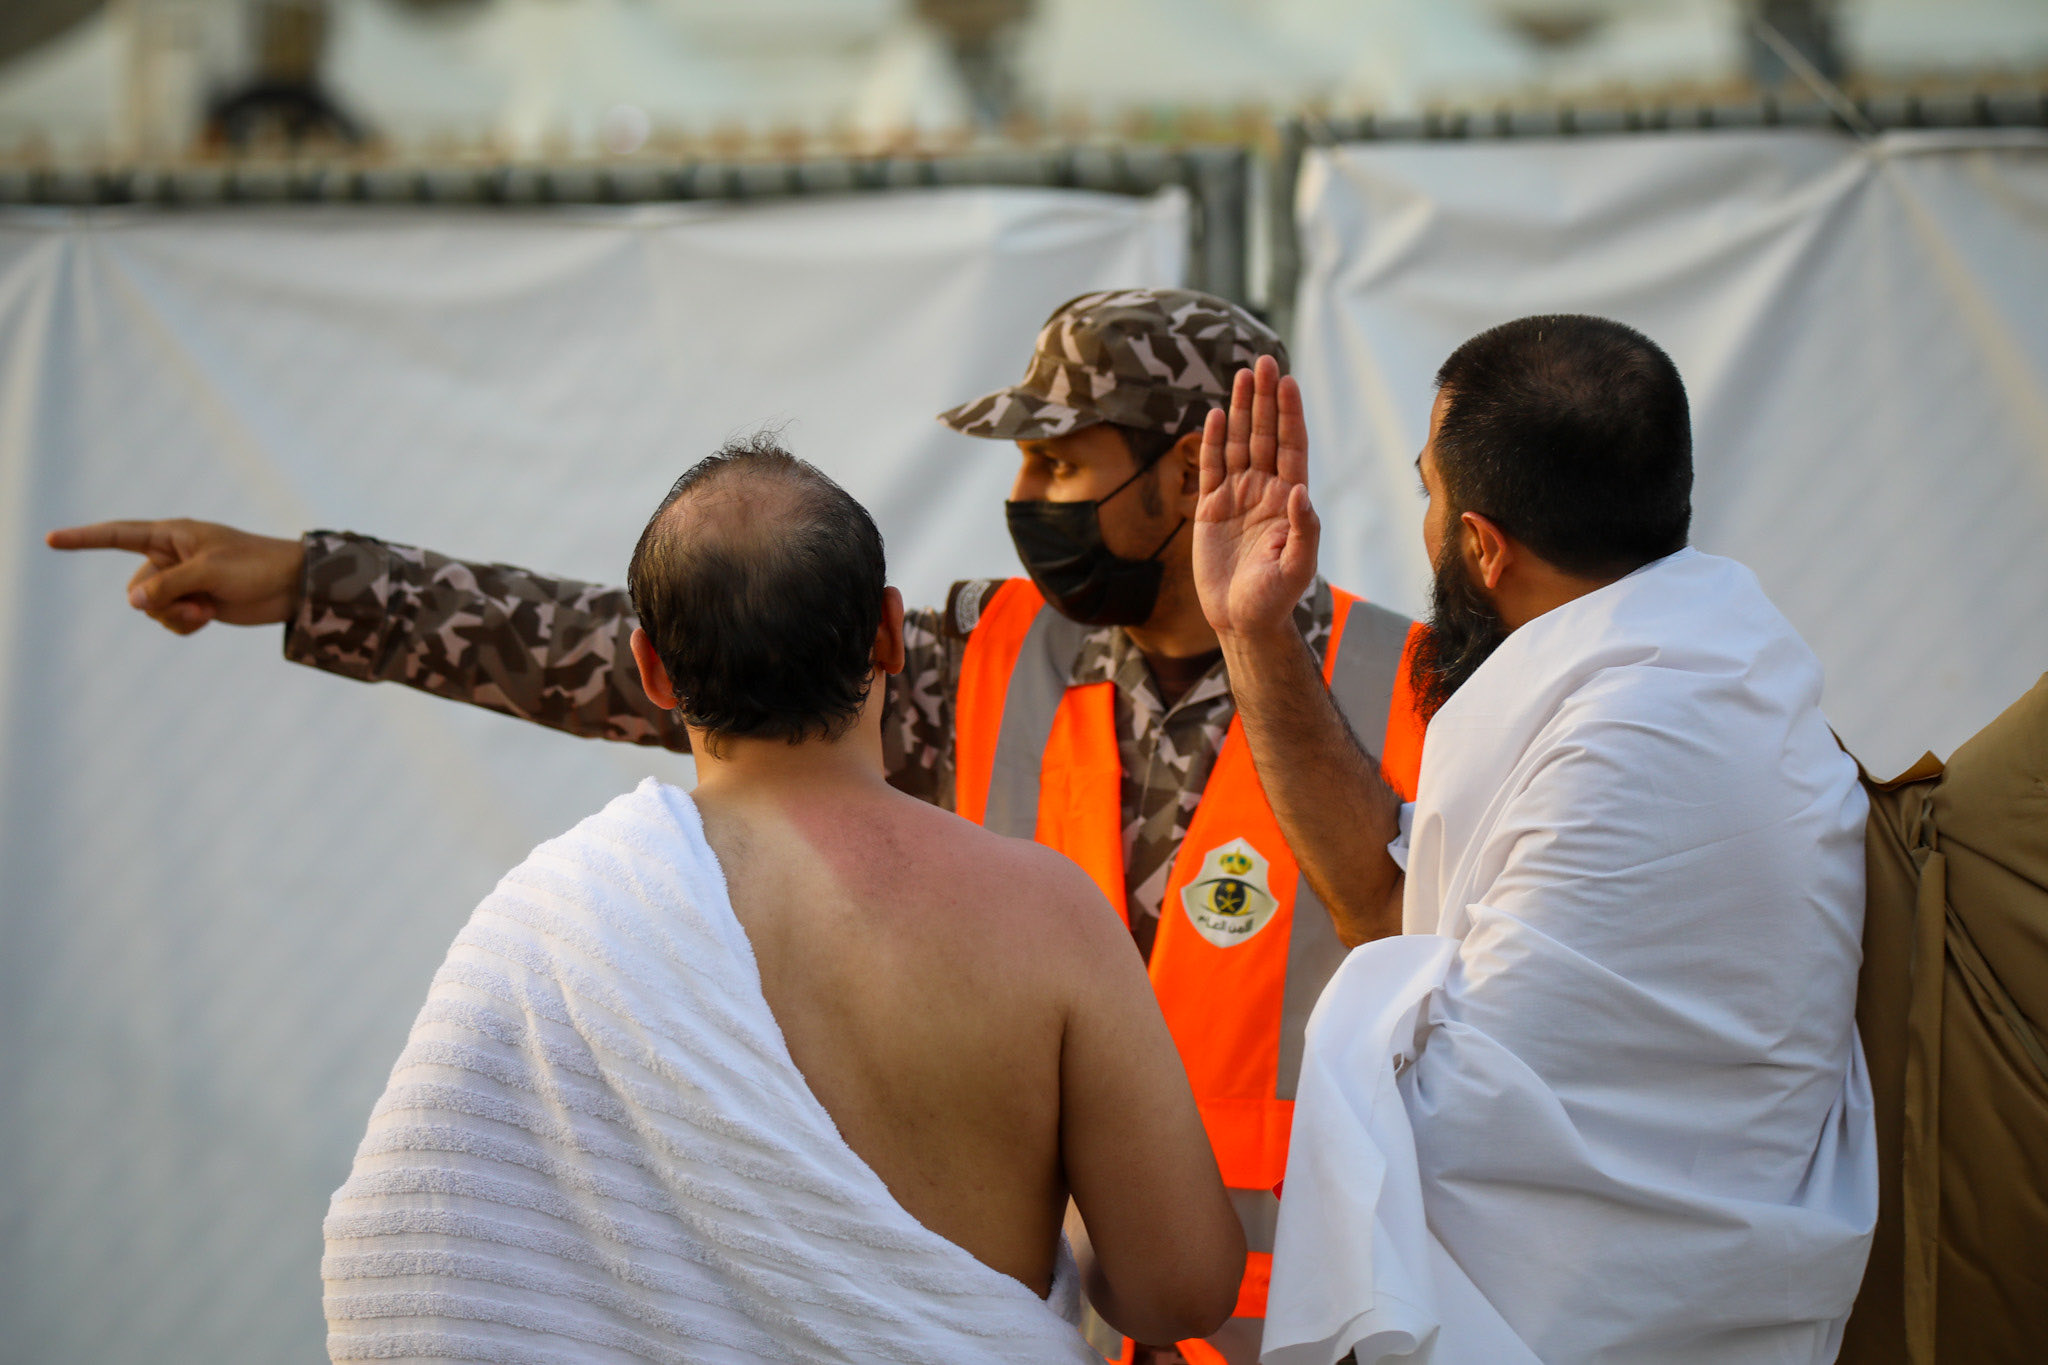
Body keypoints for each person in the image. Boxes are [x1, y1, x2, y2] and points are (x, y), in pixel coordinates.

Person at [50, 288, 1429, 1364]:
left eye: (1063, 464)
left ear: (1193, 475)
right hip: (1065, 1321)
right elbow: (625, 646)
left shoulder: (1407, 690)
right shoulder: (996, 662)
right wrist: (313, 582)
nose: (1028, 504)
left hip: (1316, 1318)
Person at [322, 437, 1243, 1362]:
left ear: (650, 671)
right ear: (889, 634)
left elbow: (408, 1267)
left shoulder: (557, 921)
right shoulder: (1048, 913)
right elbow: (1181, 1289)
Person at [1191, 321, 1879, 1362]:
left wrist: (1364, 1031)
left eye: (1426, 495)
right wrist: (1253, 630)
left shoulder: (1622, 728)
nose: (1422, 525)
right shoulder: (1728, 666)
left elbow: (1471, 1157)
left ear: (1479, 543)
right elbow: (1386, 902)